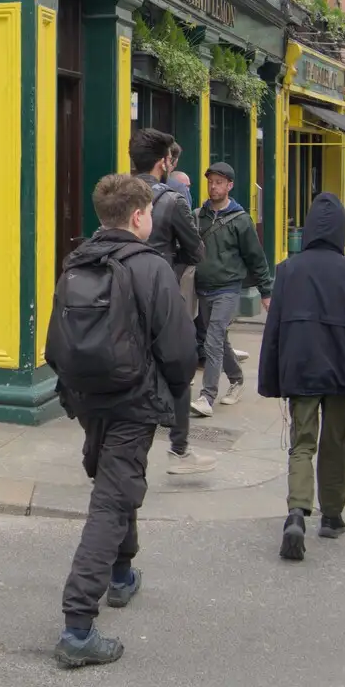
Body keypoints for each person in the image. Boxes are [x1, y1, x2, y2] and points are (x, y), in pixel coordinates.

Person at [45, 173, 196, 669]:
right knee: (112, 500)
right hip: (134, 400)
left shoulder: (76, 261)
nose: (151, 219)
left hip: (90, 399)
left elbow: (54, 342)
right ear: (137, 217)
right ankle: (77, 626)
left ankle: (122, 573)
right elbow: (178, 351)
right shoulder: (151, 267)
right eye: (149, 212)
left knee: (118, 483)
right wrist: (175, 397)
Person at [259, 192, 345, 560]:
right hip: (342, 372)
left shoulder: (287, 270)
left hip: (300, 369)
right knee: (335, 444)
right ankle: (331, 516)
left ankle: (297, 512)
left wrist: (271, 379)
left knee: (302, 444)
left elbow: (274, 331)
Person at [128, 129, 212, 475]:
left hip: (121, 290)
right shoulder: (173, 201)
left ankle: (123, 447)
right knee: (178, 367)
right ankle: (179, 450)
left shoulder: (115, 194)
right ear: (165, 162)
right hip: (162, 295)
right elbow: (197, 250)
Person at [192, 162, 273, 418]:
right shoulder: (198, 216)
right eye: (210, 181)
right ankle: (237, 379)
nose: (213, 186)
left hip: (228, 288)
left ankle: (207, 397)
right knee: (217, 339)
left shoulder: (240, 220)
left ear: (230, 186)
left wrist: (266, 291)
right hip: (202, 288)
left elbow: (256, 257)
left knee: (213, 338)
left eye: (218, 182)